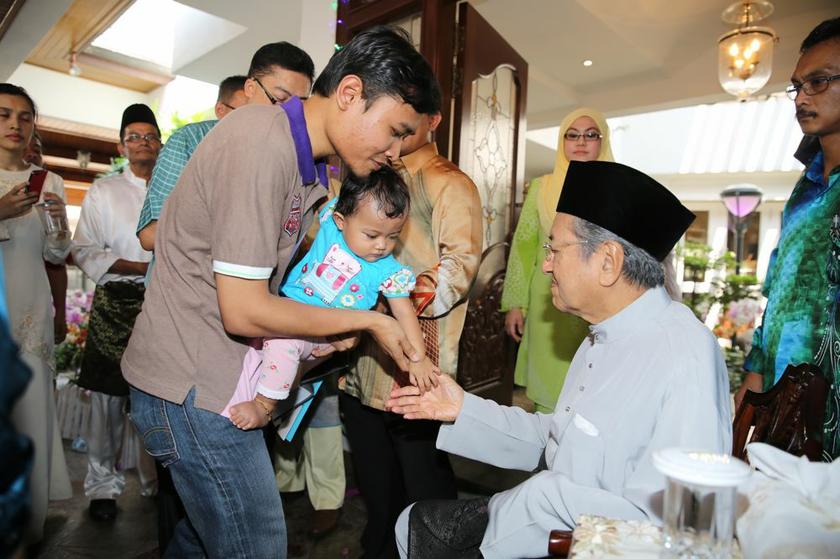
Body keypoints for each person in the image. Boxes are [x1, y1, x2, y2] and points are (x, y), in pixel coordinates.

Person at [121, 26, 439, 557]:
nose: (396, 151)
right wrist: (367, 321)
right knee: (256, 544)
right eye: (395, 130)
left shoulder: (305, 167)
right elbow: (245, 310)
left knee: (203, 541)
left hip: (217, 380)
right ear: (350, 93)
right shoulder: (259, 142)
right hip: (195, 385)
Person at [388, 161, 733, 559]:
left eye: (555, 248)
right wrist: (460, 408)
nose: (546, 263)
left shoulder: (685, 358)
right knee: (412, 524)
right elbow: (556, 440)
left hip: (578, 547)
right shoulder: (603, 334)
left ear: (608, 262)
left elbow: (683, 533)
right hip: (537, 527)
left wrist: (542, 498)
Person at [342, 108, 483, 558]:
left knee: (424, 487)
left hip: (417, 361)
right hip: (361, 353)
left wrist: (388, 297)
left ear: (433, 120)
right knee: (376, 483)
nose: (396, 137)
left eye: (407, 124)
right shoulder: (371, 175)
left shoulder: (450, 182)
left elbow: (460, 267)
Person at [224, 166, 439, 430]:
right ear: (340, 220)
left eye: (393, 236)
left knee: (283, 345)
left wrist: (419, 358)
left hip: (319, 334)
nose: (382, 245)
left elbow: (405, 314)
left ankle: (263, 406)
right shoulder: (330, 224)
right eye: (372, 235)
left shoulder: (389, 271)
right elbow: (333, 180)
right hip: (285, 310)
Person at [737, 17, 840, 461]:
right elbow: (779, 288)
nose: (801, 98)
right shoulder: (806, 185)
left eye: (818, 82)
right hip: (785, 405)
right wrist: (755, 379)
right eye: (797, 86)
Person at [71, 103, 162, 521]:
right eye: (134, 136)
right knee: (107, 401)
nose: (143, 143)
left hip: (162, 304)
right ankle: (102, 488)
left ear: (160, 142)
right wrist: (140, 267)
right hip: (116, 301)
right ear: (122, 144)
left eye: (149, 135)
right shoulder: (103, 191)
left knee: (158, 396)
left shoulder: (174, 187)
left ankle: (155, 482)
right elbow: (84, 249)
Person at [137, 42, 315, 252]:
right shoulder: (192, 141)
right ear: (250, 88)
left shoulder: (294, 156)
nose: (289, 114)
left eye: (299, 106)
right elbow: (151, 236)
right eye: (279, 99)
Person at [501, 109, 614, 413]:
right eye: (572, 134)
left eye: (591, 134)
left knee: (595, 390)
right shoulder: (542, 188)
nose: (581, 141)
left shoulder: (616, 188)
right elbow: (525, 249)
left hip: (601, 300)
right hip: (548, 299)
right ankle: (551, 457)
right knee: (549, 394)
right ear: (562, 140)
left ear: (602, 141)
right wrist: (516, 303)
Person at [0, 83, 72, 543]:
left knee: (27, 412)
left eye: (25, 117)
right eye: (4, 114)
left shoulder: (49, 181)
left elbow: (57, 251)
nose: (15, 125)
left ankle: (26, 522)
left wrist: (59, 224)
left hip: (28, 309)